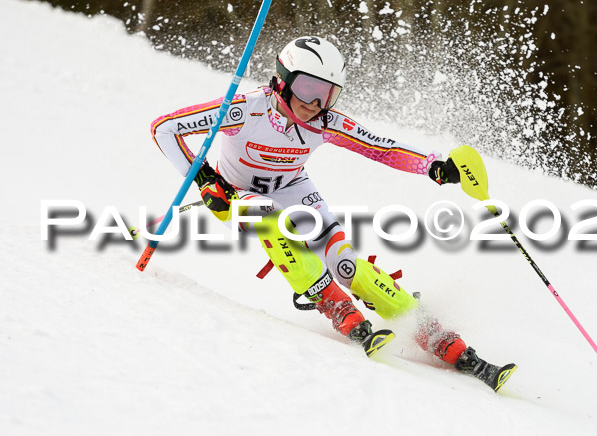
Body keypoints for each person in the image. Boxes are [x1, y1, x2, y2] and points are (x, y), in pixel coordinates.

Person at [150, 36, 516, 392]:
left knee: (344, 262)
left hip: (293, 189)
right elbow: (164, 128)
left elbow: (380, 148)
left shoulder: (323, 122)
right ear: (282, 80)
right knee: (267, 215)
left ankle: (437, 335)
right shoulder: (244, 109)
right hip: (234, 195)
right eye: (308, 88)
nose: (315, 103)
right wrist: (203, 178)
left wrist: (433, 166)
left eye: (327, 93)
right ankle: (335, 306)